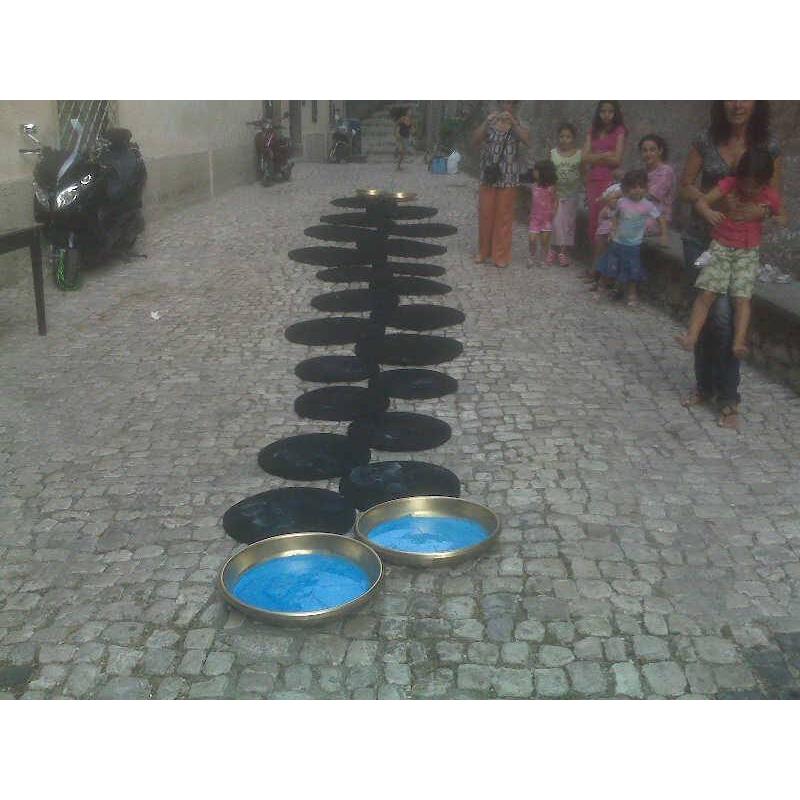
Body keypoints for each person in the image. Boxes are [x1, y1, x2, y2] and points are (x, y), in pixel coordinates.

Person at [679, 100, 782, 430]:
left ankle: (727, 397)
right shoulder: (706, 138)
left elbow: (774, 201)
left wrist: (761, 211)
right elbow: (685, 185)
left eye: (745, 95)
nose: (737, 103)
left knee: (724, 316)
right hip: (702, 241)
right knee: (712, 313)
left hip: (739, 247)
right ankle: (705, 386)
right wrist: (705, 203)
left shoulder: (768, 146)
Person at [676, 149, 785, 357]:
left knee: (741, 298)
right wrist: (708, 212)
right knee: (707, 292)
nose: (749, 190)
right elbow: (702, 201)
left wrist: (765, 213)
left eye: (754, 186)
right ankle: (691, 336)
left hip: (747, 251)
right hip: (721, 246)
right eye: (745, 184)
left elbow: (782, 218)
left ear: (764, 182)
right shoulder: (730, 184)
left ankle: (738, 342)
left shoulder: (769, 194)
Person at [594, 169, 668, 307]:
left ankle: (632, 293)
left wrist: (664, 235)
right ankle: (601, 287)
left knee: (633, 270)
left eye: (641, 186)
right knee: (609, 266)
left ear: (646, 187)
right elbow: (616, 216)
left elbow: (661, 219)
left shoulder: (648, 205)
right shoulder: (622, 202)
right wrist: (613, 230)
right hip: (617, 241)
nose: (637, 190)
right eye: (633, 187)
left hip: (634, 244)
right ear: (626, 188)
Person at [472, 101, 531, 268]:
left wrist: (514, 124)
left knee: (504, 217)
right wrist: (486, 123)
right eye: (504, 101)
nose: (507, 105)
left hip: (509, 177)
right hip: (489, 176)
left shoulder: (519, 123)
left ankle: (500, 255)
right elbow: (475, 140)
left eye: (510, 102)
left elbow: (527, 141)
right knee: (485, 215)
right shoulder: (491, 121)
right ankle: (483, 251)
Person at [582, 102, 627, 279]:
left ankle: (600, 270)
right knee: (593, 223)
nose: (606, 115)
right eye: (603, 111)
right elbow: (584, 157)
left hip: (608, 181)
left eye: (610, 111)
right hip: (592, 180)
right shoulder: (593, 130)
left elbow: (617, 160)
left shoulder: (619, 131)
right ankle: (594, 266)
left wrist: (594, 157)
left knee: (604, 224)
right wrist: (603, 156)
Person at [550, 123, 583, 266]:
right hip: (556, 194)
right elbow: (549, 172)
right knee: (556, 222)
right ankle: (553, 249)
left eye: (568, 137)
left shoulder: (579, 155)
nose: (564, 139)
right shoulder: (553, 153)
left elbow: (583, 172)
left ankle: (563, 252)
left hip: (572, 194)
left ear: (573, 138)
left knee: (568, 224)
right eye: (562, 136)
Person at [638, 134, 676, 235]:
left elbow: (651, 196)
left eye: (652, 150)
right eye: (644, 150)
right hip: (641, 211)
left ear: (660, 151)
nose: (648, 154)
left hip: (658, 218)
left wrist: (624, 192)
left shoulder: (666, 171)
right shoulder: (643, 172)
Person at [528, 159, 558, 267]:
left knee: (544, 241)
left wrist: (554, 212)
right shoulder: (534, 186)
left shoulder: (551, 188)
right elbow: (532, 201)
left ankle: (543, 259)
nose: (533, 172)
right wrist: (530, 212)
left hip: (546, 219)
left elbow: (555, 200)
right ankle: (531, 255)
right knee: (532, 239)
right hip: (535, 218)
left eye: (536, 170)